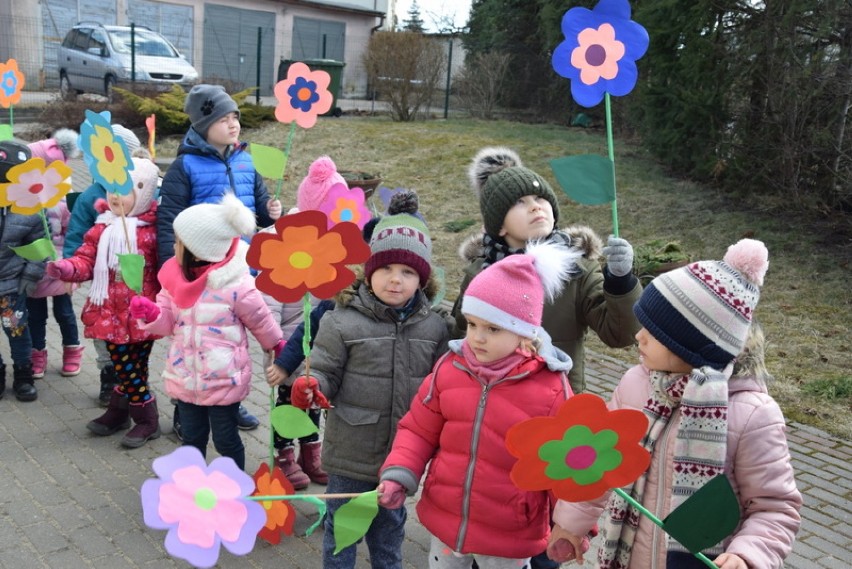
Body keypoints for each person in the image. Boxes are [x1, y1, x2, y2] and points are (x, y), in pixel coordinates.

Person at [547, 239, 803, 569]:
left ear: (693, 345)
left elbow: (774, 507)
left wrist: (746, 554)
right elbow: (599, 464)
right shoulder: (636, 385)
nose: (639, 336)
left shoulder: (751, 415)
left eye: (655, 332)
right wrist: (570, 524)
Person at [378, 240, 580, 569]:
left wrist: (572, 526)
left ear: (524, 334)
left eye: (492, 328)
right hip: (447, 520)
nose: (477, 338)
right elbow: (418, 429)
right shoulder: (450, 368)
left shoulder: (551, 389)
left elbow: (566, 467)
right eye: (472, 324)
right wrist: (399, 474)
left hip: (509, 532)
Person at [280, 199, 450, 569]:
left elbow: (442, 386)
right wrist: (310, 382)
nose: (395, 278)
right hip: (351, 453)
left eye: (407, 271)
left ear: (423, 278)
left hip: (402, 454)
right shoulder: (342, 321)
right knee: (342, 532)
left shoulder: (435, 327)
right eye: (386, 267)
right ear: (368, 271)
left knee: (390, 531)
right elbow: (325, 368)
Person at [452, 147, 642, 395]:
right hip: (491, 401)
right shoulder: (480, 274)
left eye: (540, 198)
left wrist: (620, 282)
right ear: (498, 226)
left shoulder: (577, 271)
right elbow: (460, 340)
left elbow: (620, 335)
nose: (535, 207)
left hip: (556, 405)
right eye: (519, 202)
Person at [157, 83, 284, 436]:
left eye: (235, 118)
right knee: (192, 341)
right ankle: (186, 407)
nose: (233, 125)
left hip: (238, 269)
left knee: (231, 341)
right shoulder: (185, 166)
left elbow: (261, 211)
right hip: (197, 272)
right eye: (224, 119)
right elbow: (169, 220)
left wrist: (273, 212)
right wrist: (171, 271)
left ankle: (229, 401)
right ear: (203, 125)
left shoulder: (246, 160)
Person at [131, 193, 284, 470]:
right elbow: (168, 322)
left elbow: (261, 319)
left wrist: (276, 346)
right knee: (191, 437)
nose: (173, 245)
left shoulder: (235, 284)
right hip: (186, 376)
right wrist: (153, 315)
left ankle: (234, 483)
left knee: (225, 439)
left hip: (223, 379)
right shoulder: (173, 278)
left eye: (179, 242)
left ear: (201, 248)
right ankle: (192, 485)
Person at [47, 157, 162, 447]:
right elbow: (85, 259)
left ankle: (137, 417)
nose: (113, 195)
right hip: (109, 310)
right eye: (111, 188)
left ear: (143, 191)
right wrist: (68, 268)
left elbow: (167, 265)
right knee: (123, 364)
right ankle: (133, 415)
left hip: (143, 312)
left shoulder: (153, 231)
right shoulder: (102, 228)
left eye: (122, 189)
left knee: (135, 365)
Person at [264, 154, 348, 489]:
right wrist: (274, 343)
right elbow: (269, 299)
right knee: (288, 403)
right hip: (287, 342)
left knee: (312, 398)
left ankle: (310, 452)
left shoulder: (338, 245)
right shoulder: (286, 243)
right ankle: (284, 454)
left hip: (320, 345)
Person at [64, 123, 145, 404]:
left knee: (135, 329)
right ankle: (108, 373)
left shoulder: (142, 188)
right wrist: (71, 269)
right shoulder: (92, 196)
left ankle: (135, 377)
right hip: (104, 282)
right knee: (103, 328)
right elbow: (77, 234)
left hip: (136, 280)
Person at [26, 128, 85, 378]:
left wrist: (70, 263)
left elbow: (72, 234)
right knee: (35, 315)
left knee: (64, 312)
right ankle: (37, 353)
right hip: (33, 267)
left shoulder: (62, 203)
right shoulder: (23, 202)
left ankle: (72, 350)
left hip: (59, 268)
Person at [0, 140, 46, 401]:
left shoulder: (28, 208)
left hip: (11, 285)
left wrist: (30, 276)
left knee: (17, 330)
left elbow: (40, 246)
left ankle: (23, 375)